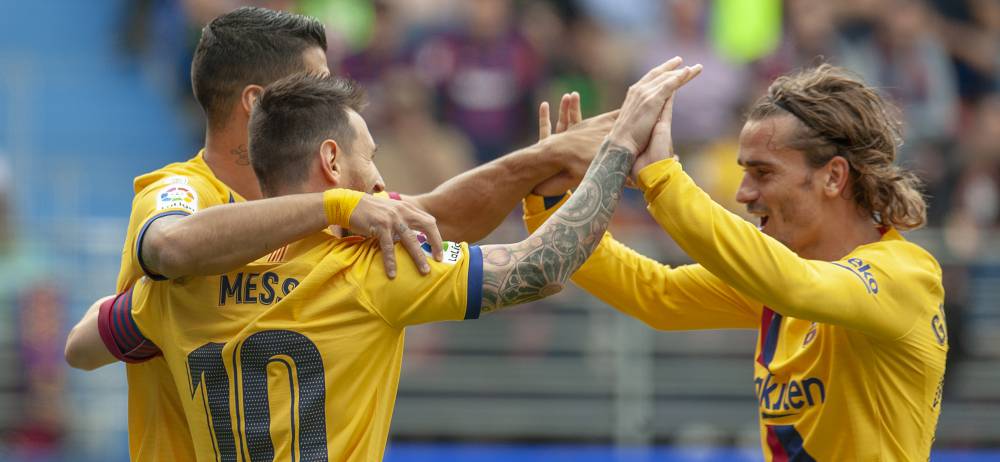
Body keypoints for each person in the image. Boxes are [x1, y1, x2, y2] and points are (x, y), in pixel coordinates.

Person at [62, 6, 613, 461]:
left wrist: (541, 161)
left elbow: (433, 215)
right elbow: (169, 247)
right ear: (256, 104)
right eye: (316, 82)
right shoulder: (182, 191)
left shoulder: (327, 221)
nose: (333, 96)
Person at [524, 64, 946, 461]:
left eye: (762, 173)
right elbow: (655, 294)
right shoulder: (779, 278)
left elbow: (798, 287)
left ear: (833, 177)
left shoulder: (904, 275)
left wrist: (663, 178)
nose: (743, 193)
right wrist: (554, 205)